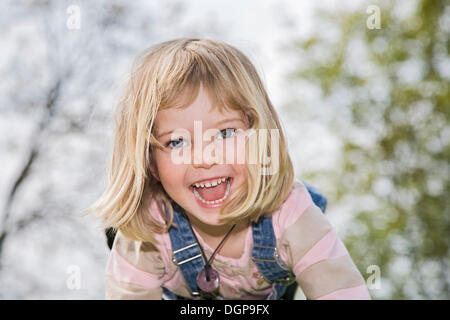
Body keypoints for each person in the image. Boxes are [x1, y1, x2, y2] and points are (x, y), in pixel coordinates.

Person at [86, 38, 371, 300]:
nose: (204, 158)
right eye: (176, 142)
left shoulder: (290, 214)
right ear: (151, 164)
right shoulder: (150, 233)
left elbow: (342, 291)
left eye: (225, 134)